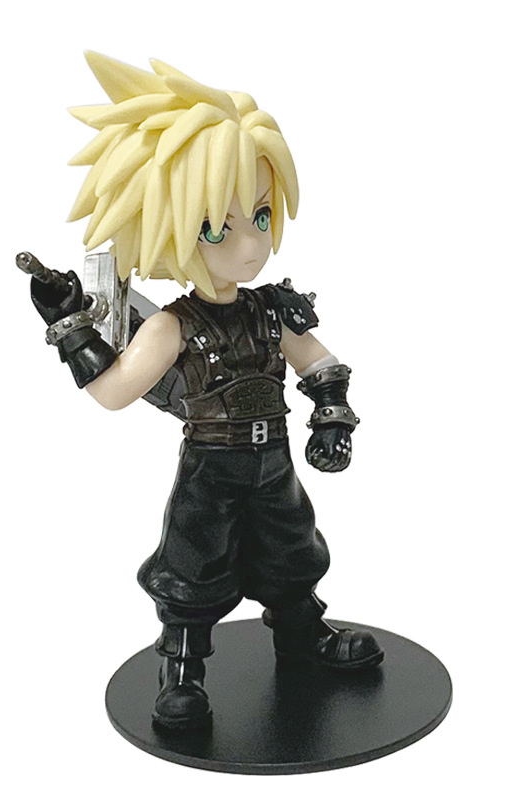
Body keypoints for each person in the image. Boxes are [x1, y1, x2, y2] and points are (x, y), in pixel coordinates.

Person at [28, 52, 383, 730]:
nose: (250, 245)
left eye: (260, 215)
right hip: (211, 465)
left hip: (273, 460)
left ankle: (303, 635)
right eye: (217, 226)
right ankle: (183, 670)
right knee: (192, 570)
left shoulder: (272, 310)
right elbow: (113, 392)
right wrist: (72, 327)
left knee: (291, 551)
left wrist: (333, 419)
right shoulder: (170, 326)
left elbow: (322, 364)